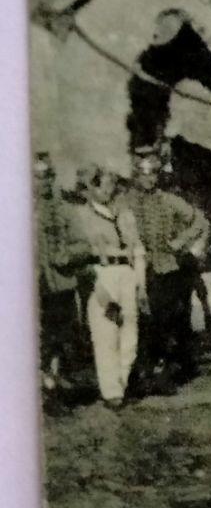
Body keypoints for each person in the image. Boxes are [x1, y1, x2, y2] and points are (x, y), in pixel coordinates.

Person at [126, 145, 206, 390]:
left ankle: (165, 371)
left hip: (165, 268)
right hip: (134, 269)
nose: (149, 179)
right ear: (135, 175)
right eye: (143, 174)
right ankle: (139, 371)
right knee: (139, 321)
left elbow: (200, 221)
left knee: (163, 320)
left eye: (152, 174)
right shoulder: (126, 201)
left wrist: (180, 242)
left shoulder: (168, 200)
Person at [70, 167, 146, 409]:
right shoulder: (81, 216)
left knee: (130, 335)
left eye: (111, 185)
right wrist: (98, 288)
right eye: (102, 185)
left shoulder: (125, 215)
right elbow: (78, 256)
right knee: (106, 334)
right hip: (101, 274)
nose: (107, 190)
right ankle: (112, 392)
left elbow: (138, 250)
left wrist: (141, 286)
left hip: (127, 273)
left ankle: (121, 382)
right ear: (90, 188)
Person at [36, 154, 89, 402]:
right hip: (33, 286)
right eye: (36, 176)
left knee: (61, 334)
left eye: (46, 176)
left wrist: (68, 255)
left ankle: (55, 384)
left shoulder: (65, 209)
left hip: (61, 284)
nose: (41, 182)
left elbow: (84, 245)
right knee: (38, 337)